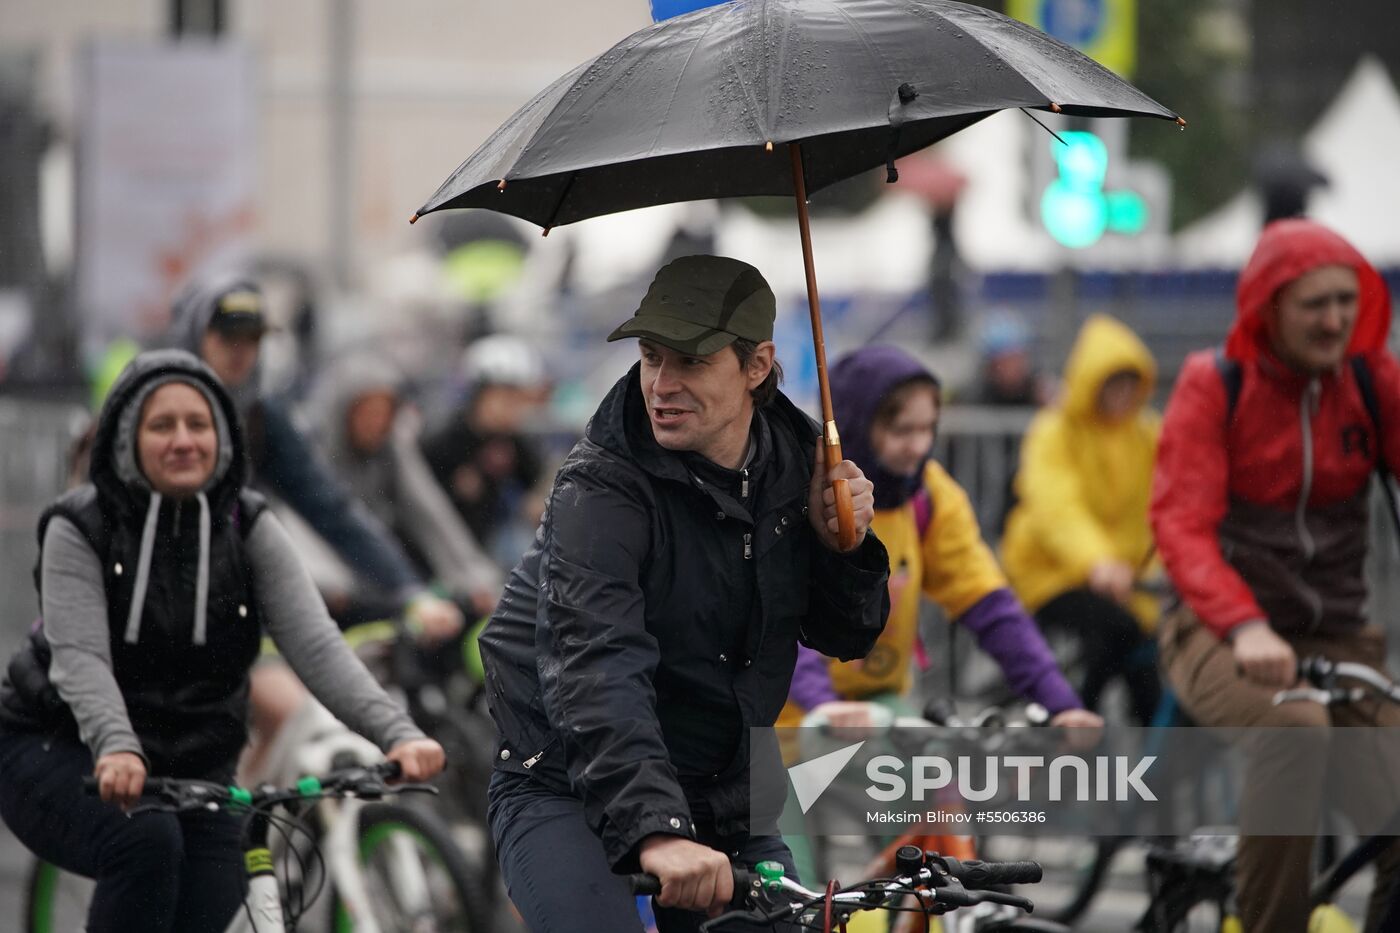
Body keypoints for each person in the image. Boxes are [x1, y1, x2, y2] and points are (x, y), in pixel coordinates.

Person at [478, 255, 890, 931]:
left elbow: (849, 637)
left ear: (757, 366)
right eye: (649, 356)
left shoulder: (801, 463)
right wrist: (658, 828)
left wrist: (843, 551)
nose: (660, 385)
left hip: (730, 788)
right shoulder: (600, 485)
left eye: (690, 363)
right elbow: (597, 661)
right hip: (568, 779)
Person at [0, 350, 445, 933]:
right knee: (147, 845)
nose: (183, 440)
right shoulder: (80, 526)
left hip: (197, 764)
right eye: (162, 426)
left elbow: (316, 645)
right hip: (62, 747)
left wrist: (397, 732)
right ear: (127, 439)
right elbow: (81, 658)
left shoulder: (250, 526)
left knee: (215, 900)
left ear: (223, 438)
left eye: (199, 424)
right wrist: (116, 744)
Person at [1151, 218, 1400, 932]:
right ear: (1268, 307)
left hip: (1341, 636)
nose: (1335, 320)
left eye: (1346, 301)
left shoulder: (1371, 378)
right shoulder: (1215, 384)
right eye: (1314, 303)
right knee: (1296, 725)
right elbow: (1181, 523)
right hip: (1220, 631)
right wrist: (1245, 623)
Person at [164, 273, 461, 776]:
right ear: (194, 335)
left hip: (236, 612)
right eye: (228, 337)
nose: (242, 352)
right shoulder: (153, 406)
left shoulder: (260, 415)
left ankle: (248, 835)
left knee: (303, 716)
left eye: (254, 339)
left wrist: (409, 590)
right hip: (158, 625)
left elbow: (332, 508)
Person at [783, 344, 1098, 729]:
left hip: (880, 706)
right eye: (902, 430)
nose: (919, 446)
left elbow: (988, 601)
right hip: (793, 717)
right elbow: (779, 618)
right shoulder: (803, 491)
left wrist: (1060, 702)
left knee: (941, 785)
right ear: (857, 424)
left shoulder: (928, 494)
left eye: (928, 428)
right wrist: (822, 704)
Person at [1000, 313, 1163, 725]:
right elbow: (1055, 506)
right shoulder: (1055, 430)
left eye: (1131, 384)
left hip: (1127, 581)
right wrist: (1097, 562)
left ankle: (1158, 770)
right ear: (1092, 383)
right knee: (1120, 636)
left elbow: (1169, 504)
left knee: (1149, 664)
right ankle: (1070, 730)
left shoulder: (1148, 433)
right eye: (1113, 383)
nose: (1124, 395)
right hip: (1050, 573)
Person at [311, 353, 502, 616]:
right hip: (328, 586)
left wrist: (475, 579)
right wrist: (328, 581)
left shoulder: (392, 449)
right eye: (367, 413)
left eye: (383, 413)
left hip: (383, 578)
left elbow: (429, 512)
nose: (375, 422)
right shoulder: (314, 455)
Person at [420, 333, 548, 566]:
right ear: (477, 394)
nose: (515, 408)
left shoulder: (510, 440)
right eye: (506, 397)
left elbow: (534, 486)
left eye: (520, 399)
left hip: (484, 550)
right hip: (438, 557)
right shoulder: (443, 441)